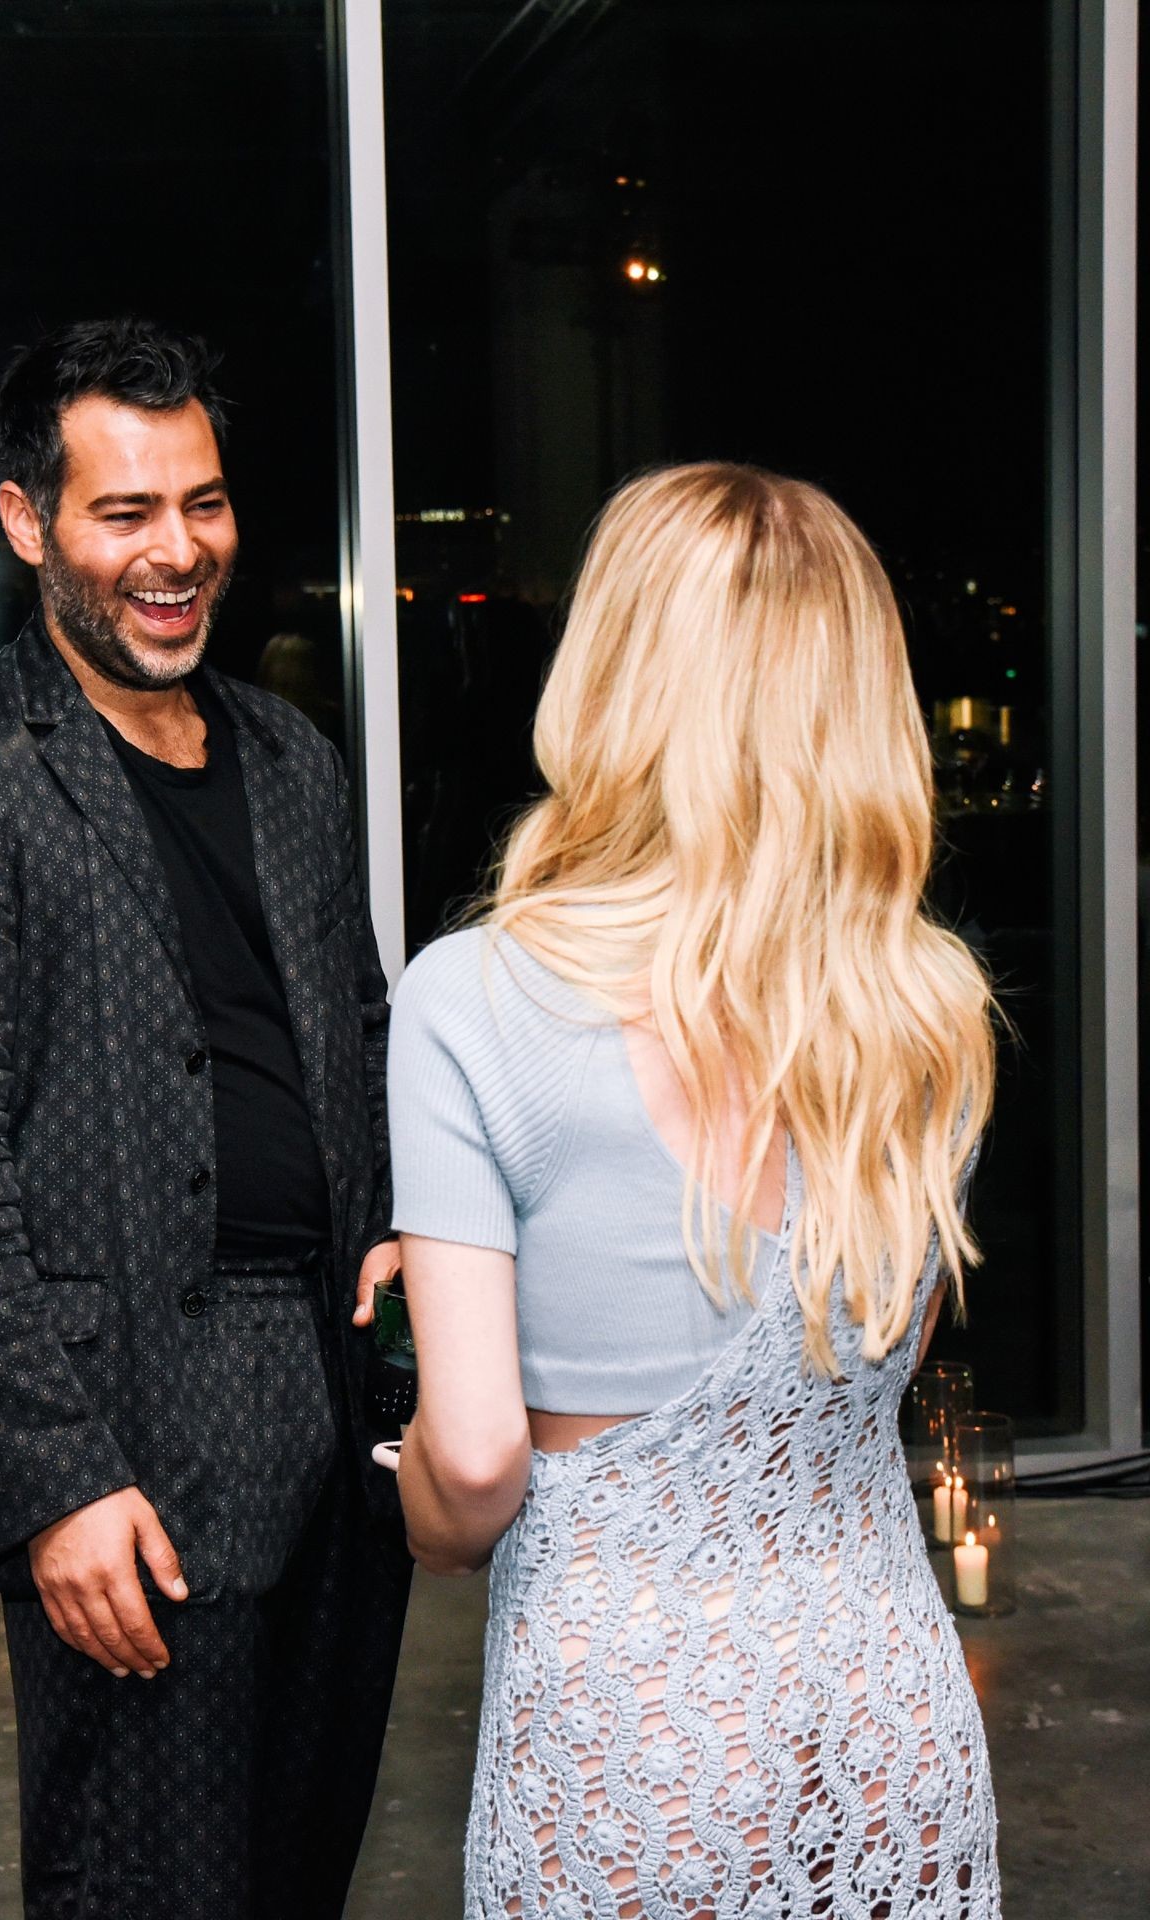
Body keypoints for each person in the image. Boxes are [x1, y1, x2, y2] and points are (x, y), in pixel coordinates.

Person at [0, 316, 413, 1919]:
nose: (177, 552)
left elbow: (359, 1034)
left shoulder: (291, 757)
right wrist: (54, 1479)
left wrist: (399, 1232)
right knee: (146, 1886)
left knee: (299, 1871)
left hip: (334, 1412)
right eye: (126, 512)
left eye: (203, 503)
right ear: (28, 523)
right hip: (131, 1449)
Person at [378, 462, 1002, 1918]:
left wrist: (411, 1483)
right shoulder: (931, 1010)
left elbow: (475, 1466)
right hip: (890, 1715)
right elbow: (872, 1355)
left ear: (613, 677)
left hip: (636, 1740)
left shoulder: (475, 997)